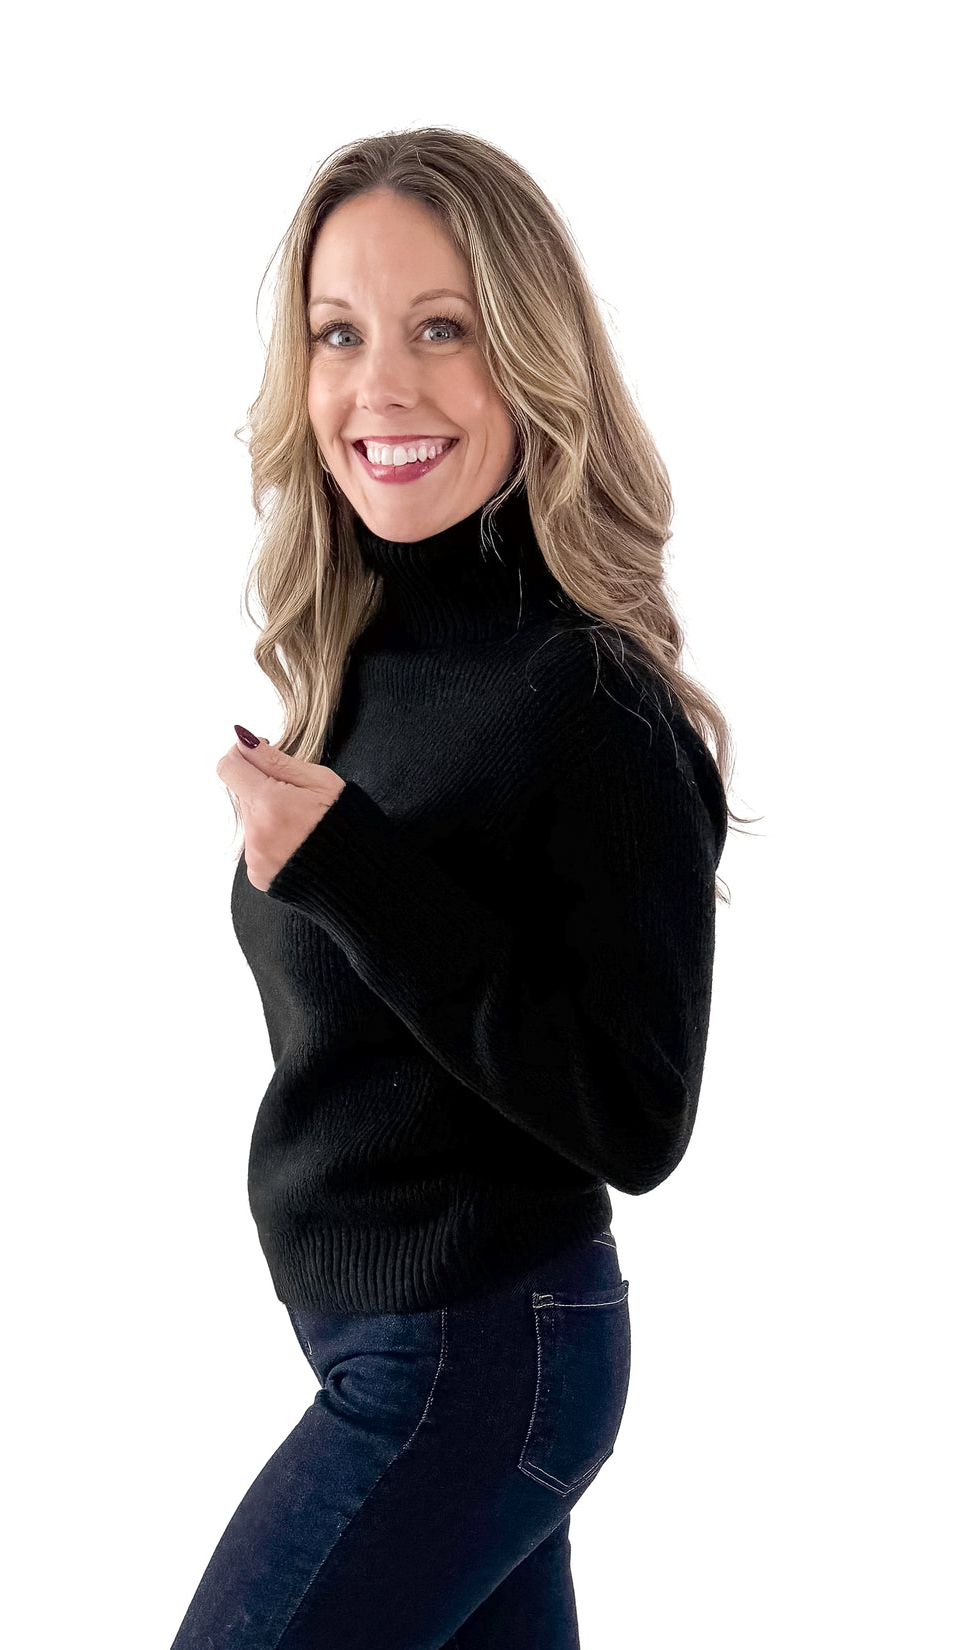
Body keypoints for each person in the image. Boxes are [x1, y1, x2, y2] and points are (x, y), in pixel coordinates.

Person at [170, 126, 743, 1650]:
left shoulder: (587, 701)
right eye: (338, 335)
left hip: (475, 1356)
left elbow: (637, 1116)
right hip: (394, 1350)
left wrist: (358, 870)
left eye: (444, 329)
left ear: (531, 357)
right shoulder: (359, 663)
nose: (384, 388)